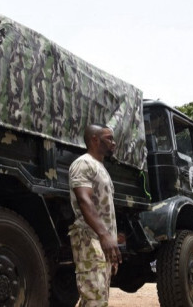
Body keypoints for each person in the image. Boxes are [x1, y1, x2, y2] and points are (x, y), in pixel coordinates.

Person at [68, 124, 122, 306]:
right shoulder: (83, 163)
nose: (113, 143)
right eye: (109, 138)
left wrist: (111, 240)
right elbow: (84, 200)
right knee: (94, 300)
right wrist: (104, 235)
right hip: (89, 239)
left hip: (101, 242)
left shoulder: (100, 167)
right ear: (94, 140)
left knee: (99, 299)